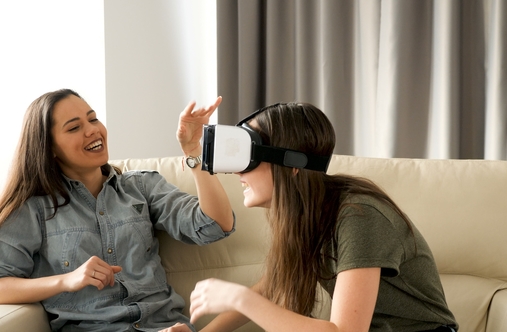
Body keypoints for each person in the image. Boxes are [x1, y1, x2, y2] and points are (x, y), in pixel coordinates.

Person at [188, 102, 459, 332]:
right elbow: (270, 287)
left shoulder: (359, 215)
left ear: (292, 166)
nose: (238, 173)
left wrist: (238, 298)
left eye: (249, 157)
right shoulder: (309, 214)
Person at [0, 89, 235, 332]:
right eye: (73, 128)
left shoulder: (141, 186)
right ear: (50, 148)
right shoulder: (34, 208)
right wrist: (66, 280)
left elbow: (215, 225)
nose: (92, 130)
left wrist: (194, 152)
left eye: (93, 119)